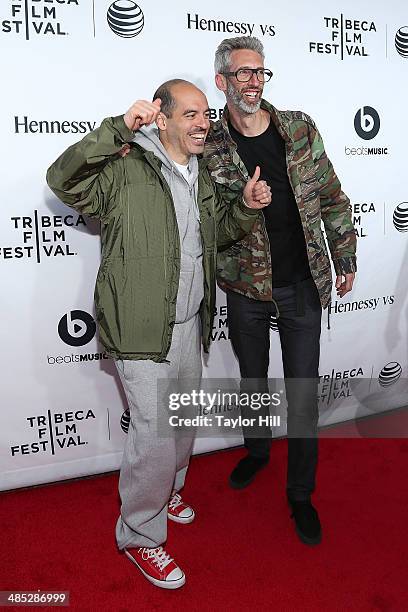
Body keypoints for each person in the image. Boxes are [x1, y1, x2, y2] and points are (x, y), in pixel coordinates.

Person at [46, 79, 271, 589]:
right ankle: (141, 536)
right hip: (141, 327)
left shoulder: (202, 175)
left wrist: (247, 208)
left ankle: (168, 489)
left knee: (183, 422)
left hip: (190, 324)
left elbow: (215, 233)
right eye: (190, 113)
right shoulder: (124, 165)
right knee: (151, 436)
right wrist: (116, 128)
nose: (203, 123)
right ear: (161, 118)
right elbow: (61, 179)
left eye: (206, 114)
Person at [204, 37, 357, 545]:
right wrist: (245, 204)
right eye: (243, 72)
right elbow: (208, 221)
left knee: (303, 393)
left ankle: (300, 493)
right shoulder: (209, 142)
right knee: (252, 378)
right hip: (245, 286)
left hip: (300, 284)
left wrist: (345, 257)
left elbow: (332, 195)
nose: (254, 80)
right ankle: (257, 450)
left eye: (260, 72)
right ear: (223, 81)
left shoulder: (298, 127)